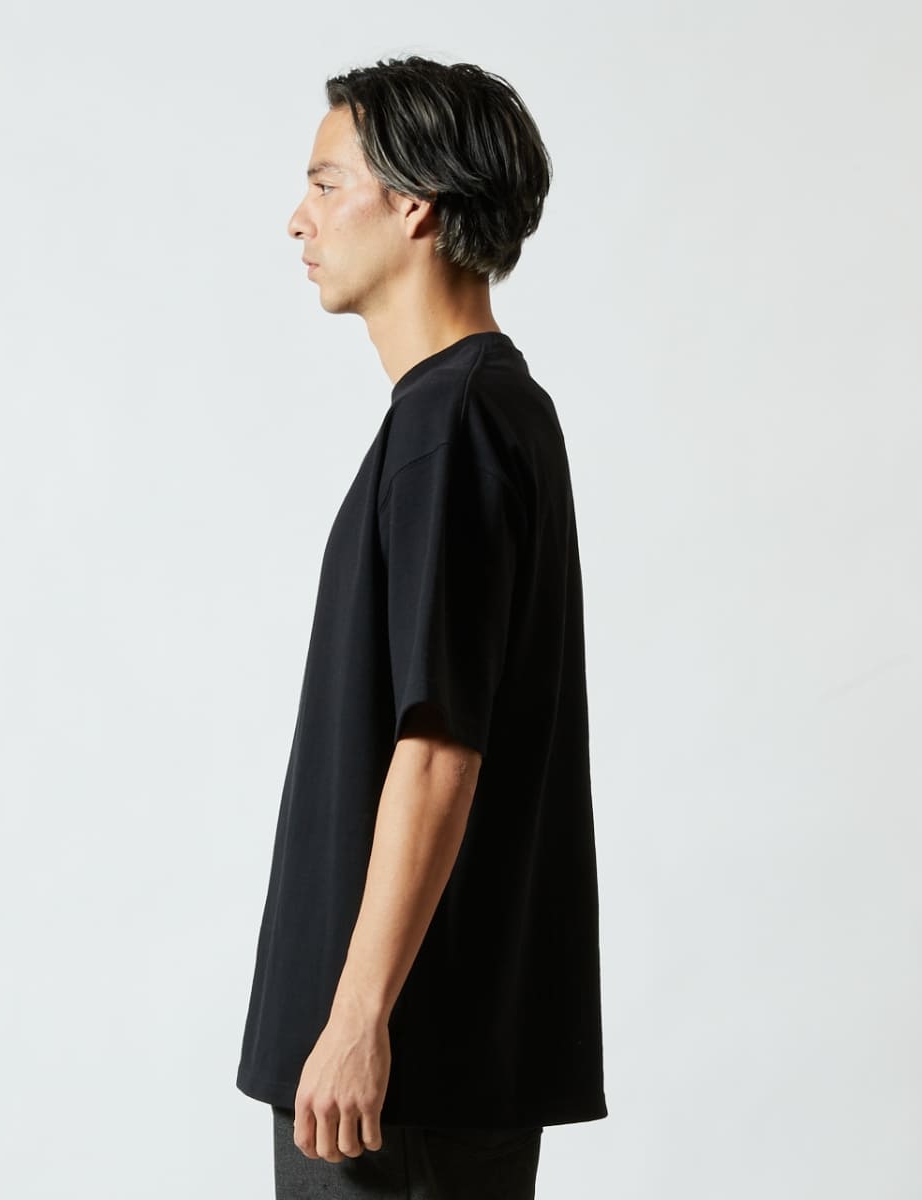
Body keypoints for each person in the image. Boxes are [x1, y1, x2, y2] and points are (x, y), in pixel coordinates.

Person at [236, 55, 606, 1199]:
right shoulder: (477, 414)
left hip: (398, 1070)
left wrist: (356, 1020)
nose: (298, 219)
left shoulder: (456, 426)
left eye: (326, 183)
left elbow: (441, 745)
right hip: (425, 1059)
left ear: (416, 205)